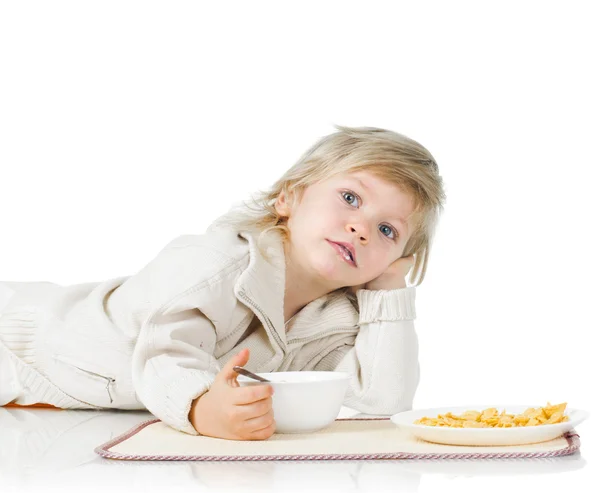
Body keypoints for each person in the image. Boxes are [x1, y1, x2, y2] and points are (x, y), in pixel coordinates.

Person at [0, 125, 446, 440]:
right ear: (288, 197)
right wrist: (198, 406)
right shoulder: (216, 263)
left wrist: (388, 292)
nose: (361, 229)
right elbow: (162, 349)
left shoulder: (335, 318)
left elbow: (381, 402)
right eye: (350, 198)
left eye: (388, 230)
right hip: (21, 343)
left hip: (64, 395)